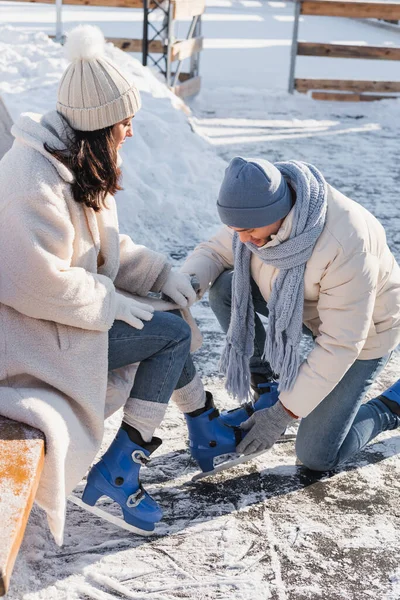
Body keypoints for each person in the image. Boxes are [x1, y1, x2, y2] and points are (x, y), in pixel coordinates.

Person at [0, 25, 215, 541]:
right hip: (30, 334)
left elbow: (103, 245)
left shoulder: (72, 159)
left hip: (58, 318)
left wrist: (160, 274)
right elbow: (30, 283)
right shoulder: (33, 180)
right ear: (99, 125)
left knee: (165, 311)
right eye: (126, 123)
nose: (132, 133)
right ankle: (122, 469)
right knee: (172, 333)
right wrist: (109, 300)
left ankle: (202, 425)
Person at [181, 157, 400, 470]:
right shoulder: (256, 209)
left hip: (368, 331)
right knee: (226, 287)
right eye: (235, 229)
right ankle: (269, 388)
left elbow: (340, 343)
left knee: (316, 456)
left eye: (249, 230)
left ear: (277, 214)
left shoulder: (346, 239)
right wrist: (182, 290)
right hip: (305, 308)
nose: (242, 239)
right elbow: (214, 252)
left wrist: (282, 415)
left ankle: (391, 406)